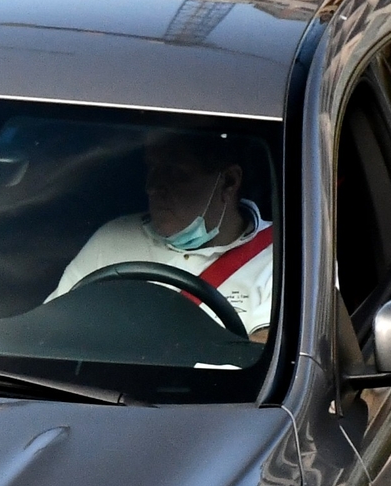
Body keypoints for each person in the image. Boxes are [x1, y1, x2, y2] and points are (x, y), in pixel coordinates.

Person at [48, 132, 273, 339]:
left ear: (228, 182)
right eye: (152, 169)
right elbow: (50, 332)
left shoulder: (281, 258)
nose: (153, 187)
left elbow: (267, 359)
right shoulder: (114, 238)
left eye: (175, 173)